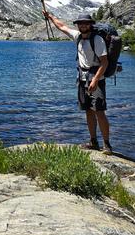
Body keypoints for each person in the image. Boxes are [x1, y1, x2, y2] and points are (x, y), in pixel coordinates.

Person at [43, 11, 112, 154]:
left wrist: (95, 80)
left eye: (85, 23)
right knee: (88, 110)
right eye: (80, 23)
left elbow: (104, 63)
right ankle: (93, 141)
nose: (83, 25)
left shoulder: (97, 40)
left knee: (99, 111)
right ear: (78, 25)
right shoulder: (78, 37)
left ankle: (107, 144)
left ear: (90, 25)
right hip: (82, 78)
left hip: (96, 79)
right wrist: (50, 17)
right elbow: (62, 26)